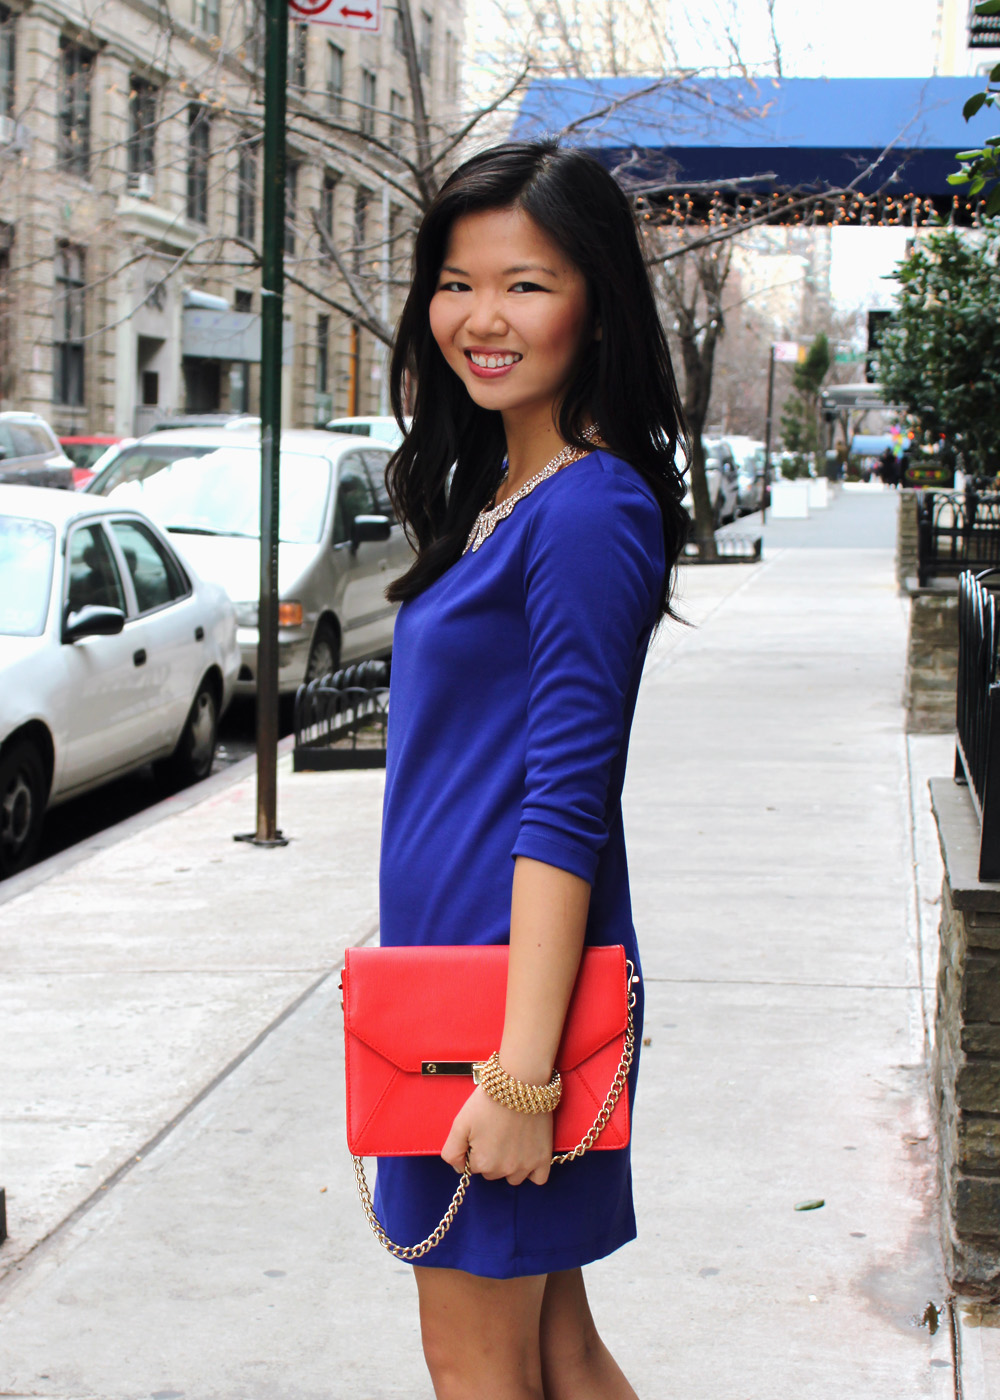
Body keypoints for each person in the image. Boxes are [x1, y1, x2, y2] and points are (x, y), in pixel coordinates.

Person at [375, 140, 689, 1400]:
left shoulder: (586, 508)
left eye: (525, 283)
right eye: (456, 282)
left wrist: (516, 1073)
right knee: (555, 1350)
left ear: (595, 302)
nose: (481, 318)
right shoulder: (510, 491)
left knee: (477, 1360)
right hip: (461, 981)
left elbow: (566, 805)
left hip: (495, 1014)